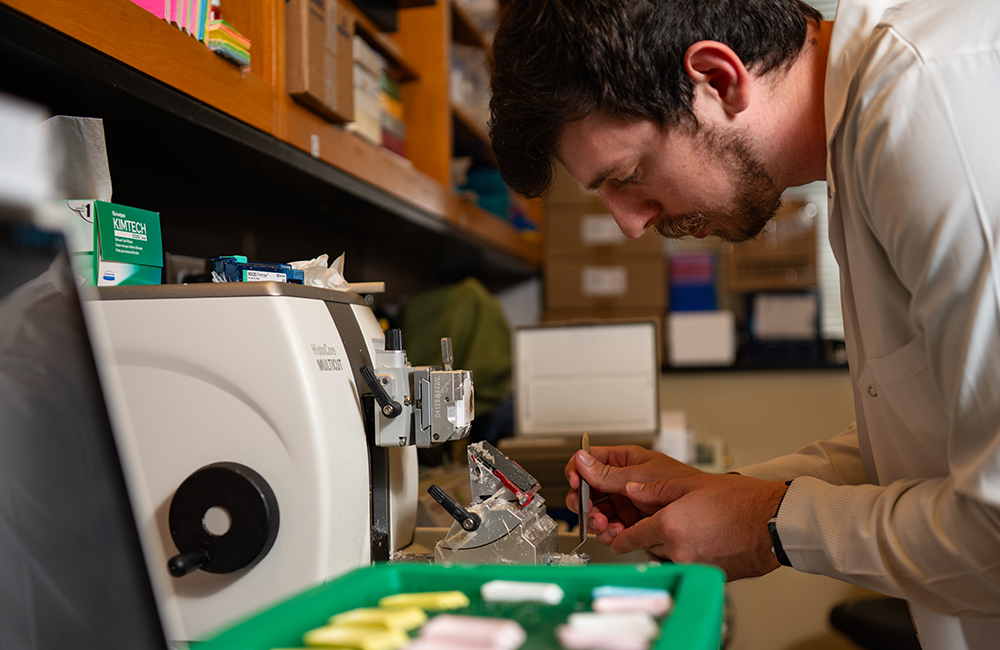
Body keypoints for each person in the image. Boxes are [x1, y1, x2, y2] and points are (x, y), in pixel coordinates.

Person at [488, 1, 1000, 648]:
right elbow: (934, 429)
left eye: (629, 175)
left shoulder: (932, 114)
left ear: (718, 80)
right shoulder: (865, 145)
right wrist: (724, 493)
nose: (628, 223)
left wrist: (772, 524)